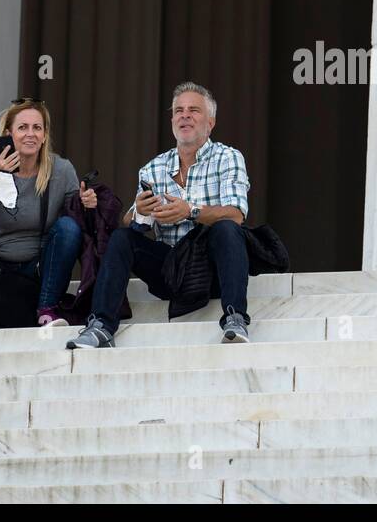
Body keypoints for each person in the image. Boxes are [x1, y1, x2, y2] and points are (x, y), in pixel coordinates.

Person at [67, 81, 252, 348]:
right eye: (179, 110)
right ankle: (100, 327)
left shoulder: (229, 157)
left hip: (213, 271)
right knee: (121, 237)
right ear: (172, 120)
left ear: (210, 123)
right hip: (172, 271)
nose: (185, 115)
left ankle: (235, 318)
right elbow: (132, 221)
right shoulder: (153, 168)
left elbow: (236, 215)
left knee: (227, 228)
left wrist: (191, 211)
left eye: (194, 110)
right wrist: (141, 213)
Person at [0, 98, 95, 329]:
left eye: (37, 127)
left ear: (45, 135)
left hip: (41, 272)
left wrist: (86, 205)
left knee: (68, 227)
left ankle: (46, 309)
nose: (30, 134)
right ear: (8, 134)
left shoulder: (61, 170)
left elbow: (76, 227)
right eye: (22, 127)